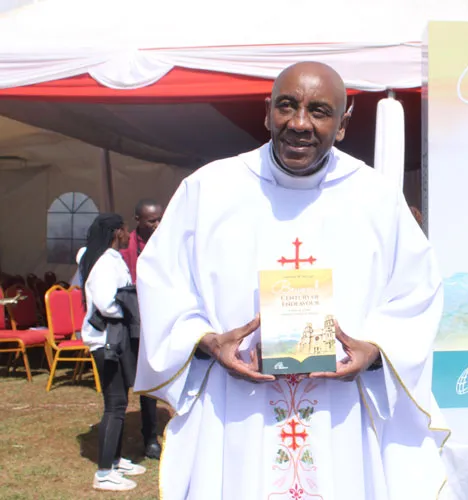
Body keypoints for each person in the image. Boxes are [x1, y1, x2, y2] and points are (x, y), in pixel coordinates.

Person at [133, 62, 448, 499]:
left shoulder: (377, 198)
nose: (299, 124)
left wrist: (375, 348)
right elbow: (162, 282)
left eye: (319, 111)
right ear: (267, 112)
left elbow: (418, 293)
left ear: (343, 124)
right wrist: (208, 342)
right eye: (287, 106)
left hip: (341, 413)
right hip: (237, 410)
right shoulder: (209, 190)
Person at [79, 213, 146, 492]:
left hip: (115, 339)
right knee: (115, 404)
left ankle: (116, 461)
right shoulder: (105, 263)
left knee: (120, 402)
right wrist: (132, 311)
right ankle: (104, 472)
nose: (128, 234)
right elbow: (106, 304)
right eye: (125, 229)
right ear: (117, 232)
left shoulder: (112, 259)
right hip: (106, 341)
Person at [119, 198, 164, 460]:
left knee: (155, 380)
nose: (157, 225)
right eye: (151, 221)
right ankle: (137, 437)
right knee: (134, 381)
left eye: (160, 219)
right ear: (138, 220)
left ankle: (154, 437)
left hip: (160, 320)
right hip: (133, 324)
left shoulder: (168, 242)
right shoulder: (125, 250)